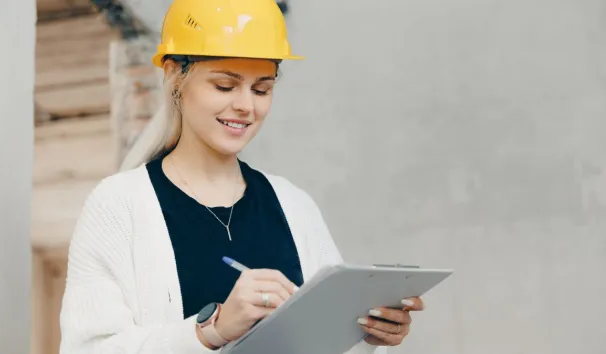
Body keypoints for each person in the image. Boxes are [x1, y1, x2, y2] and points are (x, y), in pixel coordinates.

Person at [59, 0, 425, 353]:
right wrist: (211, 331)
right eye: (224, 86)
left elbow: (321, 342)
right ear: (173, 75)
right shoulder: (118, 206)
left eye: (262, 88)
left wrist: (365, 335)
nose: (246, 106)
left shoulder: (295, 206)